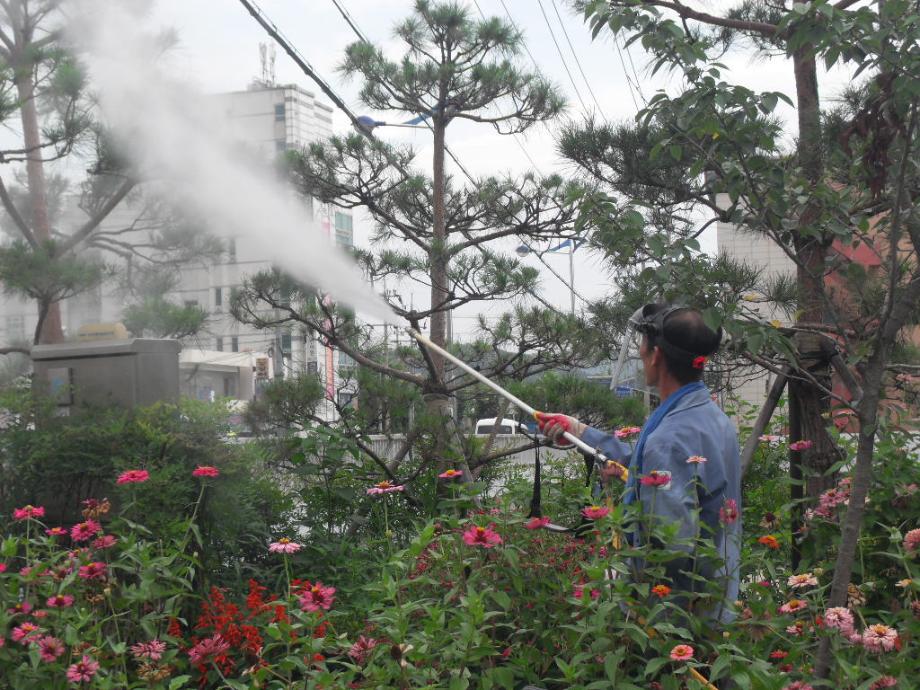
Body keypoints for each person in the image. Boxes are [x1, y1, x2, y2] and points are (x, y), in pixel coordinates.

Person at [537, 304, 740, 622]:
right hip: (713, 604)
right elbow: (647, 459)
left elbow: (669, 543)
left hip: (672, 622)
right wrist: (579, 432)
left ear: (656, 355)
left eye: (642, 346)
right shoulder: (710, 417)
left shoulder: (671, 436)